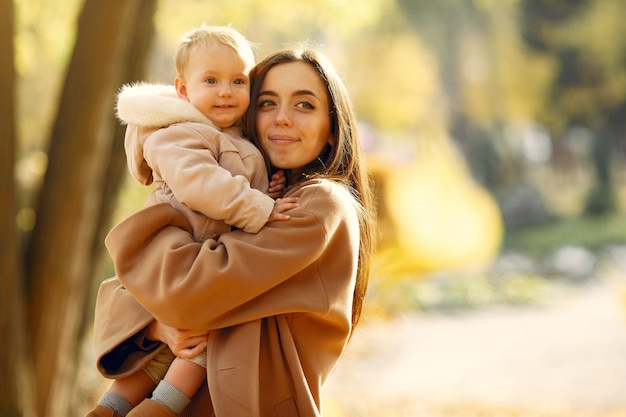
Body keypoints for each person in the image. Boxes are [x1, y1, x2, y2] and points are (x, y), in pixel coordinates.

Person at [92, 46, 376, 417]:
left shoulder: (319, 205)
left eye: (304, 105)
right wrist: (159, 329)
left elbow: (183, 289)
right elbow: (118, 292)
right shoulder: (251, 198)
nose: (283, 119)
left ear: (332, 130)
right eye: (267, 103)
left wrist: (156, 273)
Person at [86, 25, 298, 417]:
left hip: (201, 253)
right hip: (182, 252)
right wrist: (260, 207)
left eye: (238, 80)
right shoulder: (178, 133)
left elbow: (231, 178)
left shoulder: (229, 136)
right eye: (211, 80)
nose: (225, 91)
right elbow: (201, 186)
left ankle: (113, 410)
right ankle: (148, 410)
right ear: (183, 90)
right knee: (202, 346)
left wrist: (268, 187)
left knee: (171, 352)